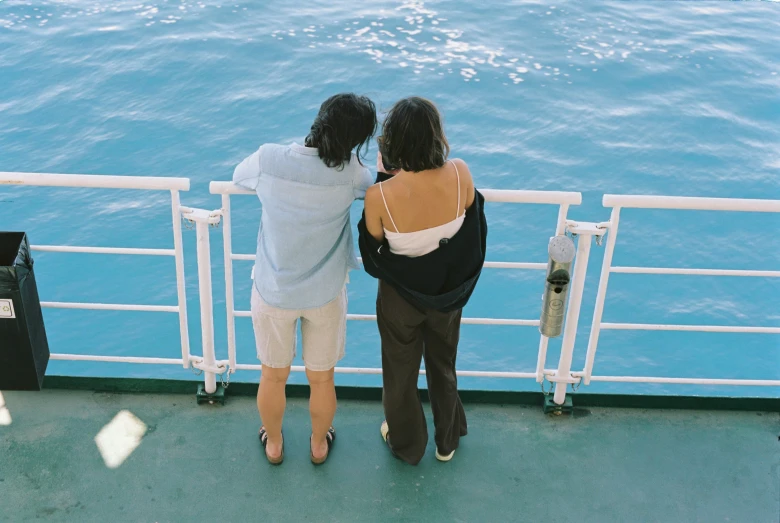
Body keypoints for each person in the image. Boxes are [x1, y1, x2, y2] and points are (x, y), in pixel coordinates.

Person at [232, 93, 377, 465]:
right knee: (322, 379)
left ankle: (275, 444)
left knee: (273, 376)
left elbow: (238, 177)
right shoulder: (353, 175)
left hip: (273, 291)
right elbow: (372, 187)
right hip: (325, 294)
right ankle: (317, 444)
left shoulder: (268, 159)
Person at [359, 97, 488, 465]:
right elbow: (469, 225)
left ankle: (407, 444)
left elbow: (375, 251)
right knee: (443, 363)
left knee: (400, 373)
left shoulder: (377, 196)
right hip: (448, 294)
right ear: (437, 135)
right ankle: (447, 441)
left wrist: (386, 178)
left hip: (401, 300)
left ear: (392, 143)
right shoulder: (461, 172)